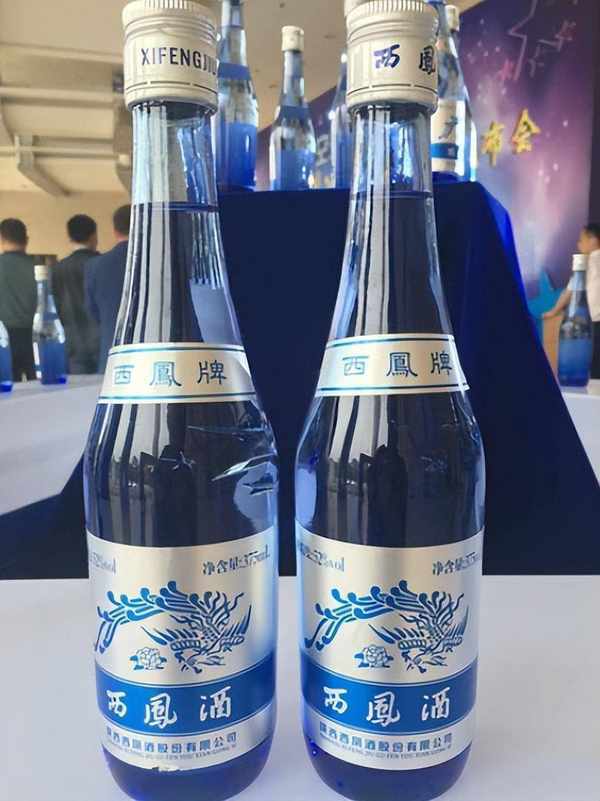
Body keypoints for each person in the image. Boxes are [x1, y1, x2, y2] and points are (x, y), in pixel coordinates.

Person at [544, 223, 600, 379]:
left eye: (581, 240)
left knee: (593, 362)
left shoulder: (588, 261)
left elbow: (570, 291)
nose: (578, 244)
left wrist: (553, 311)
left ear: (593, 240)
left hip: (594, 319)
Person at [85, 205, 131, 373]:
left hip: (111, 355)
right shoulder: (160, 259)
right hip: (152, 357)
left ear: (115, 231)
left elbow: (92, 311)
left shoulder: (95, 266)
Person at [53, 214, 100, 374]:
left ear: (70, 237)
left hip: (72, 343)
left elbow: (56, 308)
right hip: (102, 342)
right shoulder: (102, 264)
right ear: (94, 236)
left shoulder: (58, 269)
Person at [0, 218, 36, 381]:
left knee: (7, 389)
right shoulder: (39, 267)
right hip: (35, 337)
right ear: (26, 239)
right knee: (42, 388)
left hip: (3, 338)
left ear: (1, 238)